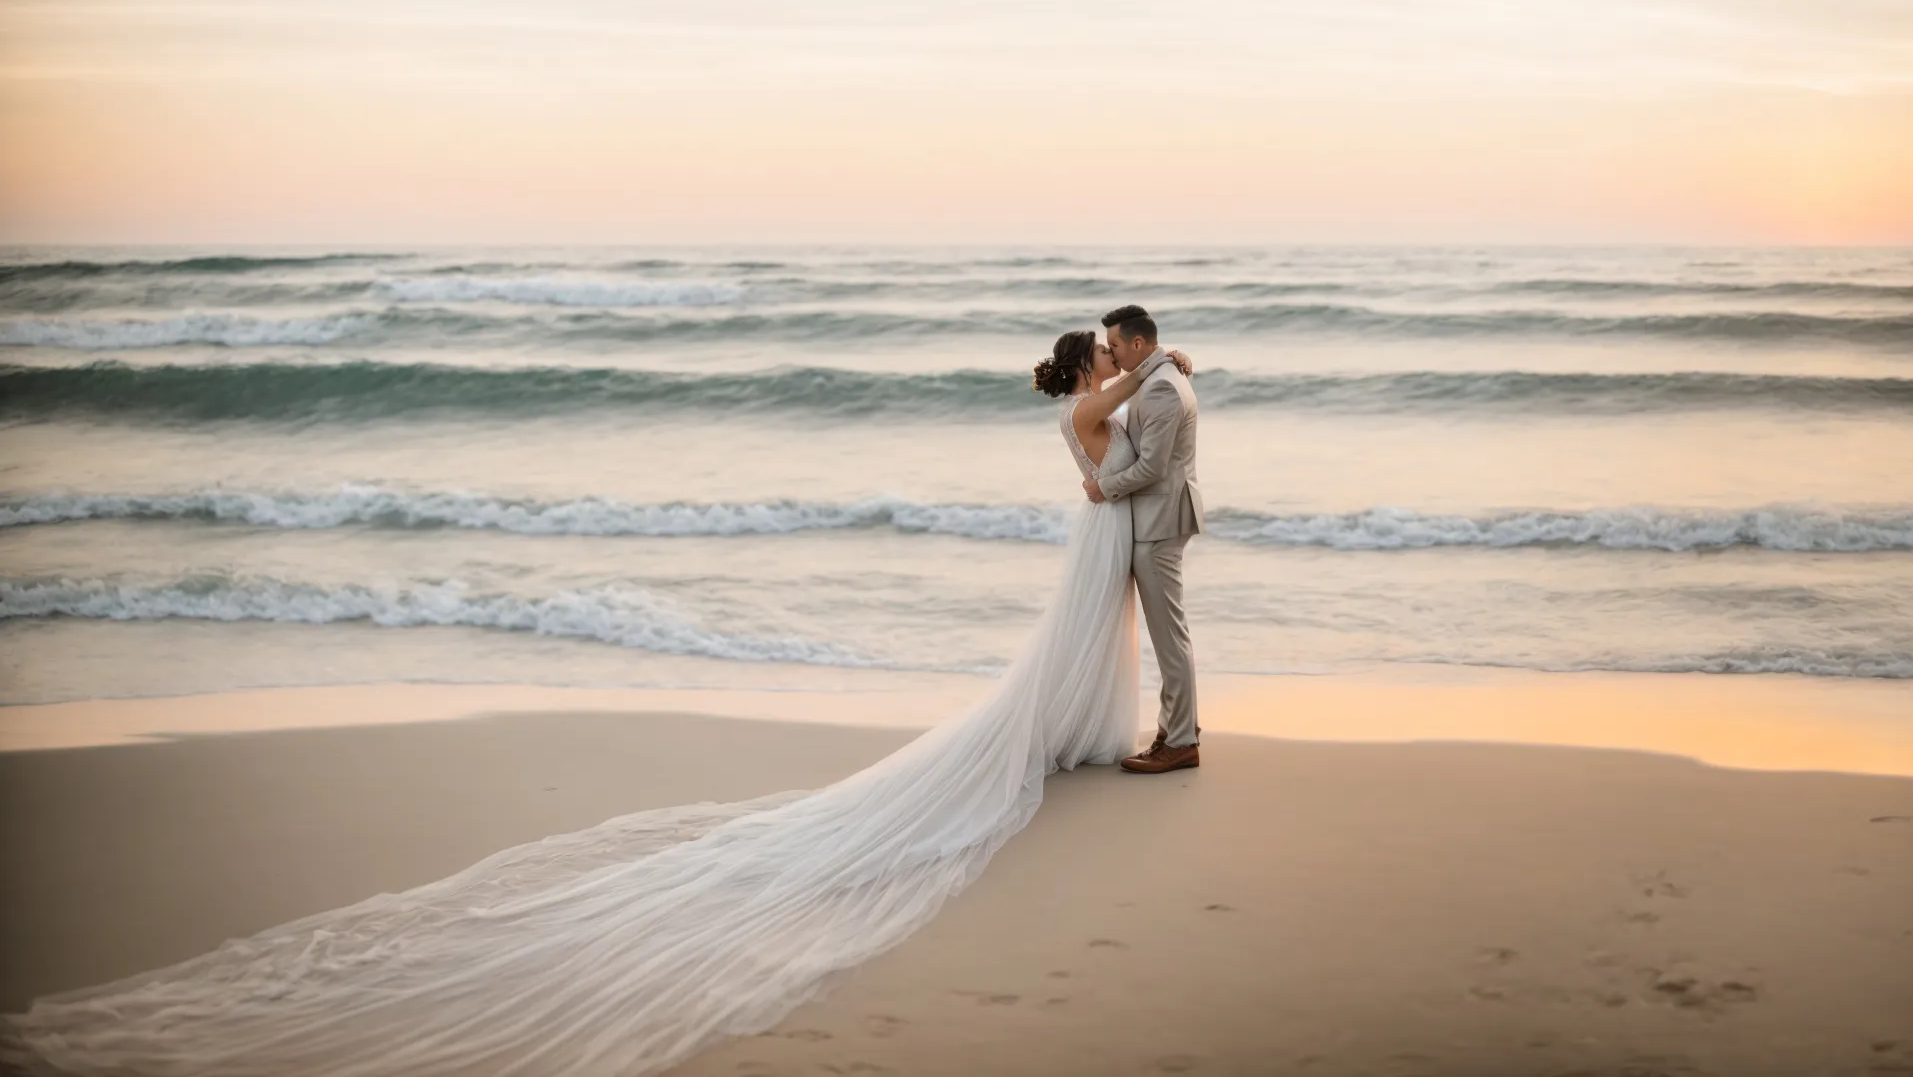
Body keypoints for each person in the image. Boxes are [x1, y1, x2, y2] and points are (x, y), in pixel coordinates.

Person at [0, 331, 1196, 1077]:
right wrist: (1162, 370)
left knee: (1087, 639)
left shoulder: (1088, 402)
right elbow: (1115, 441)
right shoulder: (1093, 408)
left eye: (1109, 356)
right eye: (1101, 358)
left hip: (1090, 535)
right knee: (1085, 638)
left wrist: (1162, 369)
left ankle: (1083, 728)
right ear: (1084, 376)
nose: (1107, 363)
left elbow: (1122, 427)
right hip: (1095, 535)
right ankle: (1074, 731)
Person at [1082, 305, 1205, 774]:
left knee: (1169, 636)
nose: (1110, 352)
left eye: (1113, 344)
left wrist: (1104, 487)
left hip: (1159, 522)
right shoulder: (1162, 373)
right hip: (1158, 516)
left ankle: (1179, 741)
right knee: (1169, 633)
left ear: (1137, 343)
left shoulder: (1162, 389)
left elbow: (1152, 466)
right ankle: (1178, 732)